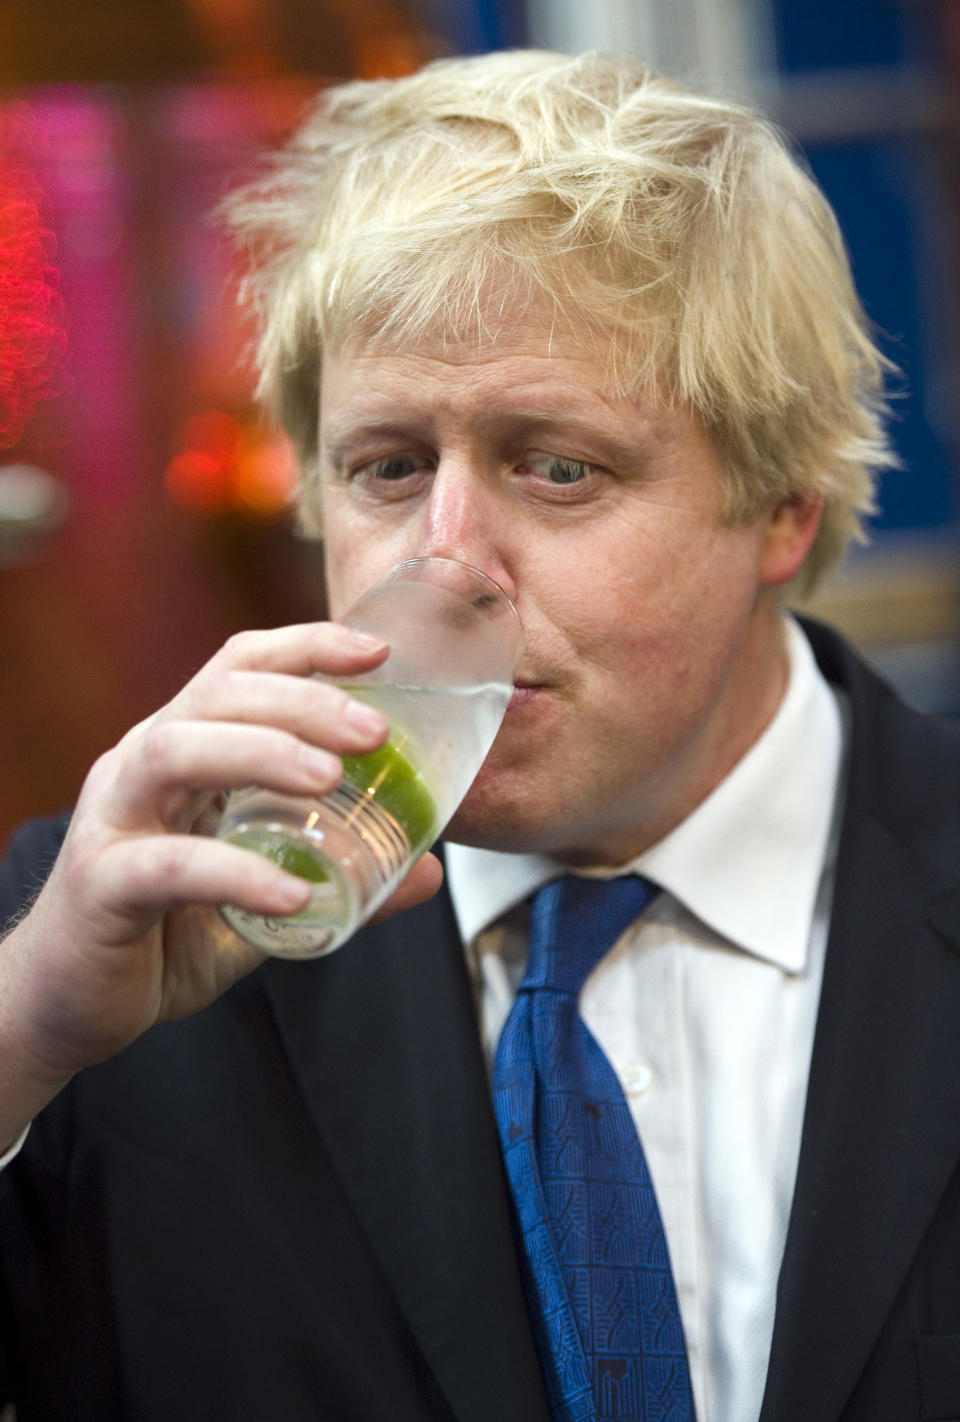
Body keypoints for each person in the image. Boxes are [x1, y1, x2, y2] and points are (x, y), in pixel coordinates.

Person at [1, 47, 959, 1422]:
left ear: (782, 506)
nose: (447, 563)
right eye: (389, 467)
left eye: (556, 467)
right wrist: (20, 1034)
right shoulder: (110, 938)